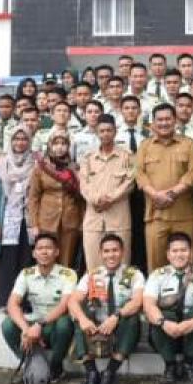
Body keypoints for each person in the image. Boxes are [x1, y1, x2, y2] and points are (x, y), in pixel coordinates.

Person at [68, 233, 145, 384]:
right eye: (107, 251)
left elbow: (138, 301)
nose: (111, 255)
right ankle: (92, 373)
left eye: (115, 250)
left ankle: (109, 373)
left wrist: (116, 316)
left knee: (132, 317)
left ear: (122, 251)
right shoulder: (92, 275)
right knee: (78, 314)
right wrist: (83, 320)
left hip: (120, 327)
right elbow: (73, 301)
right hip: (96, 327)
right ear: (101, 254)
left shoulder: (134, 274)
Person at [143, 232, 193, 384]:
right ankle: (169, 365)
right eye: (175, 251)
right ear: (168, 254)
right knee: (161, 314)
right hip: (165, 333)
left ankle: (188, 364)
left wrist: (192, 322)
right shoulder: (157, 275)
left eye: (183, 250)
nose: (179, 254)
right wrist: (164, 323)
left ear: (190, 252)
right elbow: (148, 304)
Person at [2, 233, 77, 384]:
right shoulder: (26, 274)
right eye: (40, 248)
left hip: (53, 325)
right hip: (34, 325)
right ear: (34, 253)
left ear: (57, 252)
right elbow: (12, 304)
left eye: (49, 248)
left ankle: (56, 367)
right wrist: (25, 330)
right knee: (8, 325)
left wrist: (39, 325)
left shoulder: (68, 274)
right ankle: (30, 364)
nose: (44, 252)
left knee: (65, 323)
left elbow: (64, 305)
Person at [135, 103, 193, 270]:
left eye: (167, 119)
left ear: (175, 121)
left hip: (184, 215)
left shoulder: (189, 144)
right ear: (153, 123)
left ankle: (188, 295)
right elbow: (139, 174)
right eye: (160, 120)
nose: (164, 123)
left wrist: (170, 194)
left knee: (187, 262)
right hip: (155, 215)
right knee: (156, 264)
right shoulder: (145, 146)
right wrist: (155, 195)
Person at [78, 115, 136, 270]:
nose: (105, 134)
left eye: (109, 130)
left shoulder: (126, 155)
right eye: (102, 131)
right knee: (93, 264)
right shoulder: (88, 157)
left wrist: (110, 199)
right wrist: (96, 199)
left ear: (115, 132)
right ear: (97, 132)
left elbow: (130, 182)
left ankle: (121, 294)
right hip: (93, 218)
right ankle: (96, 295)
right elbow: (83, 184)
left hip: (118, 218)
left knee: (121, 263)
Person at [0, 128, 36, 308]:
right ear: (10, 141)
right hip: (8, 217)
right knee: (8, 260)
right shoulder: (1, 164)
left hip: (28, 218)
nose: (20, 142)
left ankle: (24, 302)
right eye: (16, 139)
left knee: (26, 259)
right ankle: (7, 301)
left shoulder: (36, 163)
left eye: (24, 139)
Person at [26, 133, 85, 267]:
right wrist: (34, 224)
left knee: (67, 261)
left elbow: (81, 198)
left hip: (70, 220)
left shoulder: (75, 168)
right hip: (46, 220)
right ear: (50, 146)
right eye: (56, 144)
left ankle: (66, 287)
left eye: (63, 144)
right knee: (46, 258)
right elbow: (33, 197)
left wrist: (82, 221)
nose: (60, 147)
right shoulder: (41, 168)